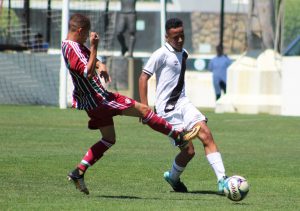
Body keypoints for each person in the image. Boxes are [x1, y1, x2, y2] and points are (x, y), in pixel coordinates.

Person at [61, 14, 198, 195]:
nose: (87, 37)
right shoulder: (73, 48)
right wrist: (94, 47)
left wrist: (100, 64)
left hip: (90, 103)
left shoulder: (69, 46)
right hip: (100, 99)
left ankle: (78, 172)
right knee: (143, 110)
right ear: (79, 31)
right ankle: (177, 136)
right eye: (85, 34)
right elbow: (86, 71)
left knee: (109, 139)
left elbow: (89, 61)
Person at [139, 18, 227, 194]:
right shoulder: (160, 54)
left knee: (206, 134)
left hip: (183, 103)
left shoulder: (184, 53)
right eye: (175, 37)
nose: (179, 40)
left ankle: (222, 181)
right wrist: (144, 108)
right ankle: (173, 177)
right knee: (189, 152)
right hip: (167, 111)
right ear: (167, 36)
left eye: (182, 36)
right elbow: (143, 78)